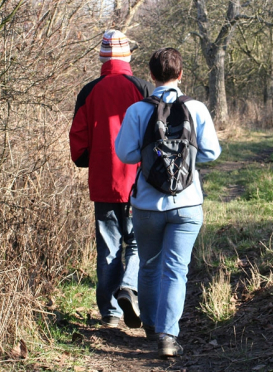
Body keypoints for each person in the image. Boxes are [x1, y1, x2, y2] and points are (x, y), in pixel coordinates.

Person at [115, 48, 221, 358]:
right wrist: (185, 160)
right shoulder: (197, 108)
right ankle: (168, 336)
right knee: (176, 270)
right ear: (181, 74)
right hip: (187, 203)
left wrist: (153, 158)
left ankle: (149, 325)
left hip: (147, 204)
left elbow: (125, 154)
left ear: (150, 76)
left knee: (148, 266)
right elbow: (212, 153)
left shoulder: (138, 110)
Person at [69, 30, 153, 329]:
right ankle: (129, 288)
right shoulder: (142, 88)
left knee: (107, 246)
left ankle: (110, 313)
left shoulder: (89, 91)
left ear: (103, 58)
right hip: (137, 182)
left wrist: (85, 160)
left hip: (103, 180)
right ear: (128, 57)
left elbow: (78, 137)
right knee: (136, 244)